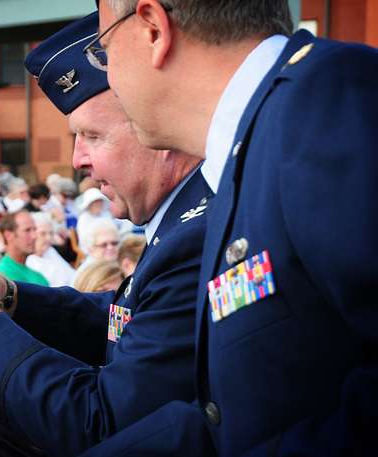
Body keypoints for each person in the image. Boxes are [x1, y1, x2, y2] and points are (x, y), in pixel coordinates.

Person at [78, 1, 378, 456]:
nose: (110, 77)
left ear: (153, 29)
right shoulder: (258, 142)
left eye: (104, 52)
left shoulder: (324, 101)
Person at [0, 12, 211, 456]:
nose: (77, 159)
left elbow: (103, 423)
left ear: (153, 127)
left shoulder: (195, 237)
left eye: (91, 135)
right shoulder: (182, 223)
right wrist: (8, 294)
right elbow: (123, 322)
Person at [0, 210, 49, 286]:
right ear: (8, 236)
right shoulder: (1, 276)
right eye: (27, 230)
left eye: (34, 229)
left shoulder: (38, 276)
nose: (34, 236)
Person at [25, 211, 75, 287]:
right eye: (43, 233)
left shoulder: (50, 251)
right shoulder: (29, 262)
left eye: (51, 233)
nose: (48, 238)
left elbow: (71, 273)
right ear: (32, 235)